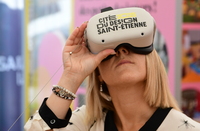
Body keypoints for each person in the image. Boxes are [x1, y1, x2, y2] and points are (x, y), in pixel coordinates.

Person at [24, 8, 200, 131]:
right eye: (109, 48)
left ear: (152, 61)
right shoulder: (86, 124)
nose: (122, 50)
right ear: (98, 73)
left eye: (135, 42)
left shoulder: (185, 128)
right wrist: (71, 75)